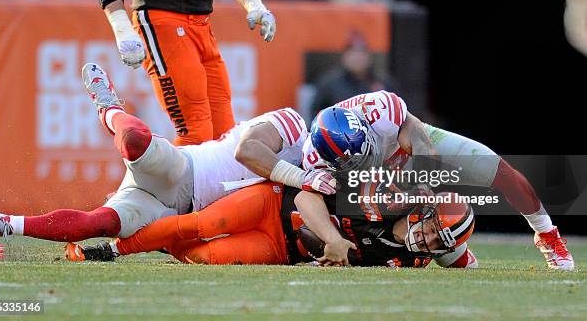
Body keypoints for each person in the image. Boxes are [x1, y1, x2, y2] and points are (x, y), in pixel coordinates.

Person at [0, 63, 332, 244]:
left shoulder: (320, 174)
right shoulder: (291, 123)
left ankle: (1, 223)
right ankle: (109, 108)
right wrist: (303, 177)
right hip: (183, 169)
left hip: (177, 212)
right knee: (134, 138)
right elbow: (248, 152)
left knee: (100, 224)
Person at [302, 91, 575, 271]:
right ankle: (461, 259)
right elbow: (314, 197)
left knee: (501, 172)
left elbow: (419, 137)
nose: (363, 159)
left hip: (405, 153)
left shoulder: (381, 111)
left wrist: (422, 180)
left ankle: (547, 235)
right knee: (423, 229)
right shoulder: (313, 158)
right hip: (366, 183)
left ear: (364, 127)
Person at [93, 0, 276, 146]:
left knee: (224, 136)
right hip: (162, 21)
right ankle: (161, 183)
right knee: (195, 130)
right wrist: (121, 27)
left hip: (202, 25)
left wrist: (253, 2)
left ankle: (197, 183)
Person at [67, 185, 476, 270]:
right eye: (431, 228)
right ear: (424, 209)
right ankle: (111, 250)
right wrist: (334, 241)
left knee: (206, 256)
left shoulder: (414, 263)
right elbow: (306, 198)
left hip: (283, 250)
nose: (426, 239)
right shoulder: (384, 197)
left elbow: (461, 260)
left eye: (436, 243)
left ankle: (156, 238)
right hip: (274, 204)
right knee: (200, 223)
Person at [311, 33, 386, 117]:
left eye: (362, 53)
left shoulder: (383, 82)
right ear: (345, 56)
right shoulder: (329, 84)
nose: (358, 57)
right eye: (353, 53)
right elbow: (316, 117)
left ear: (369, 56)